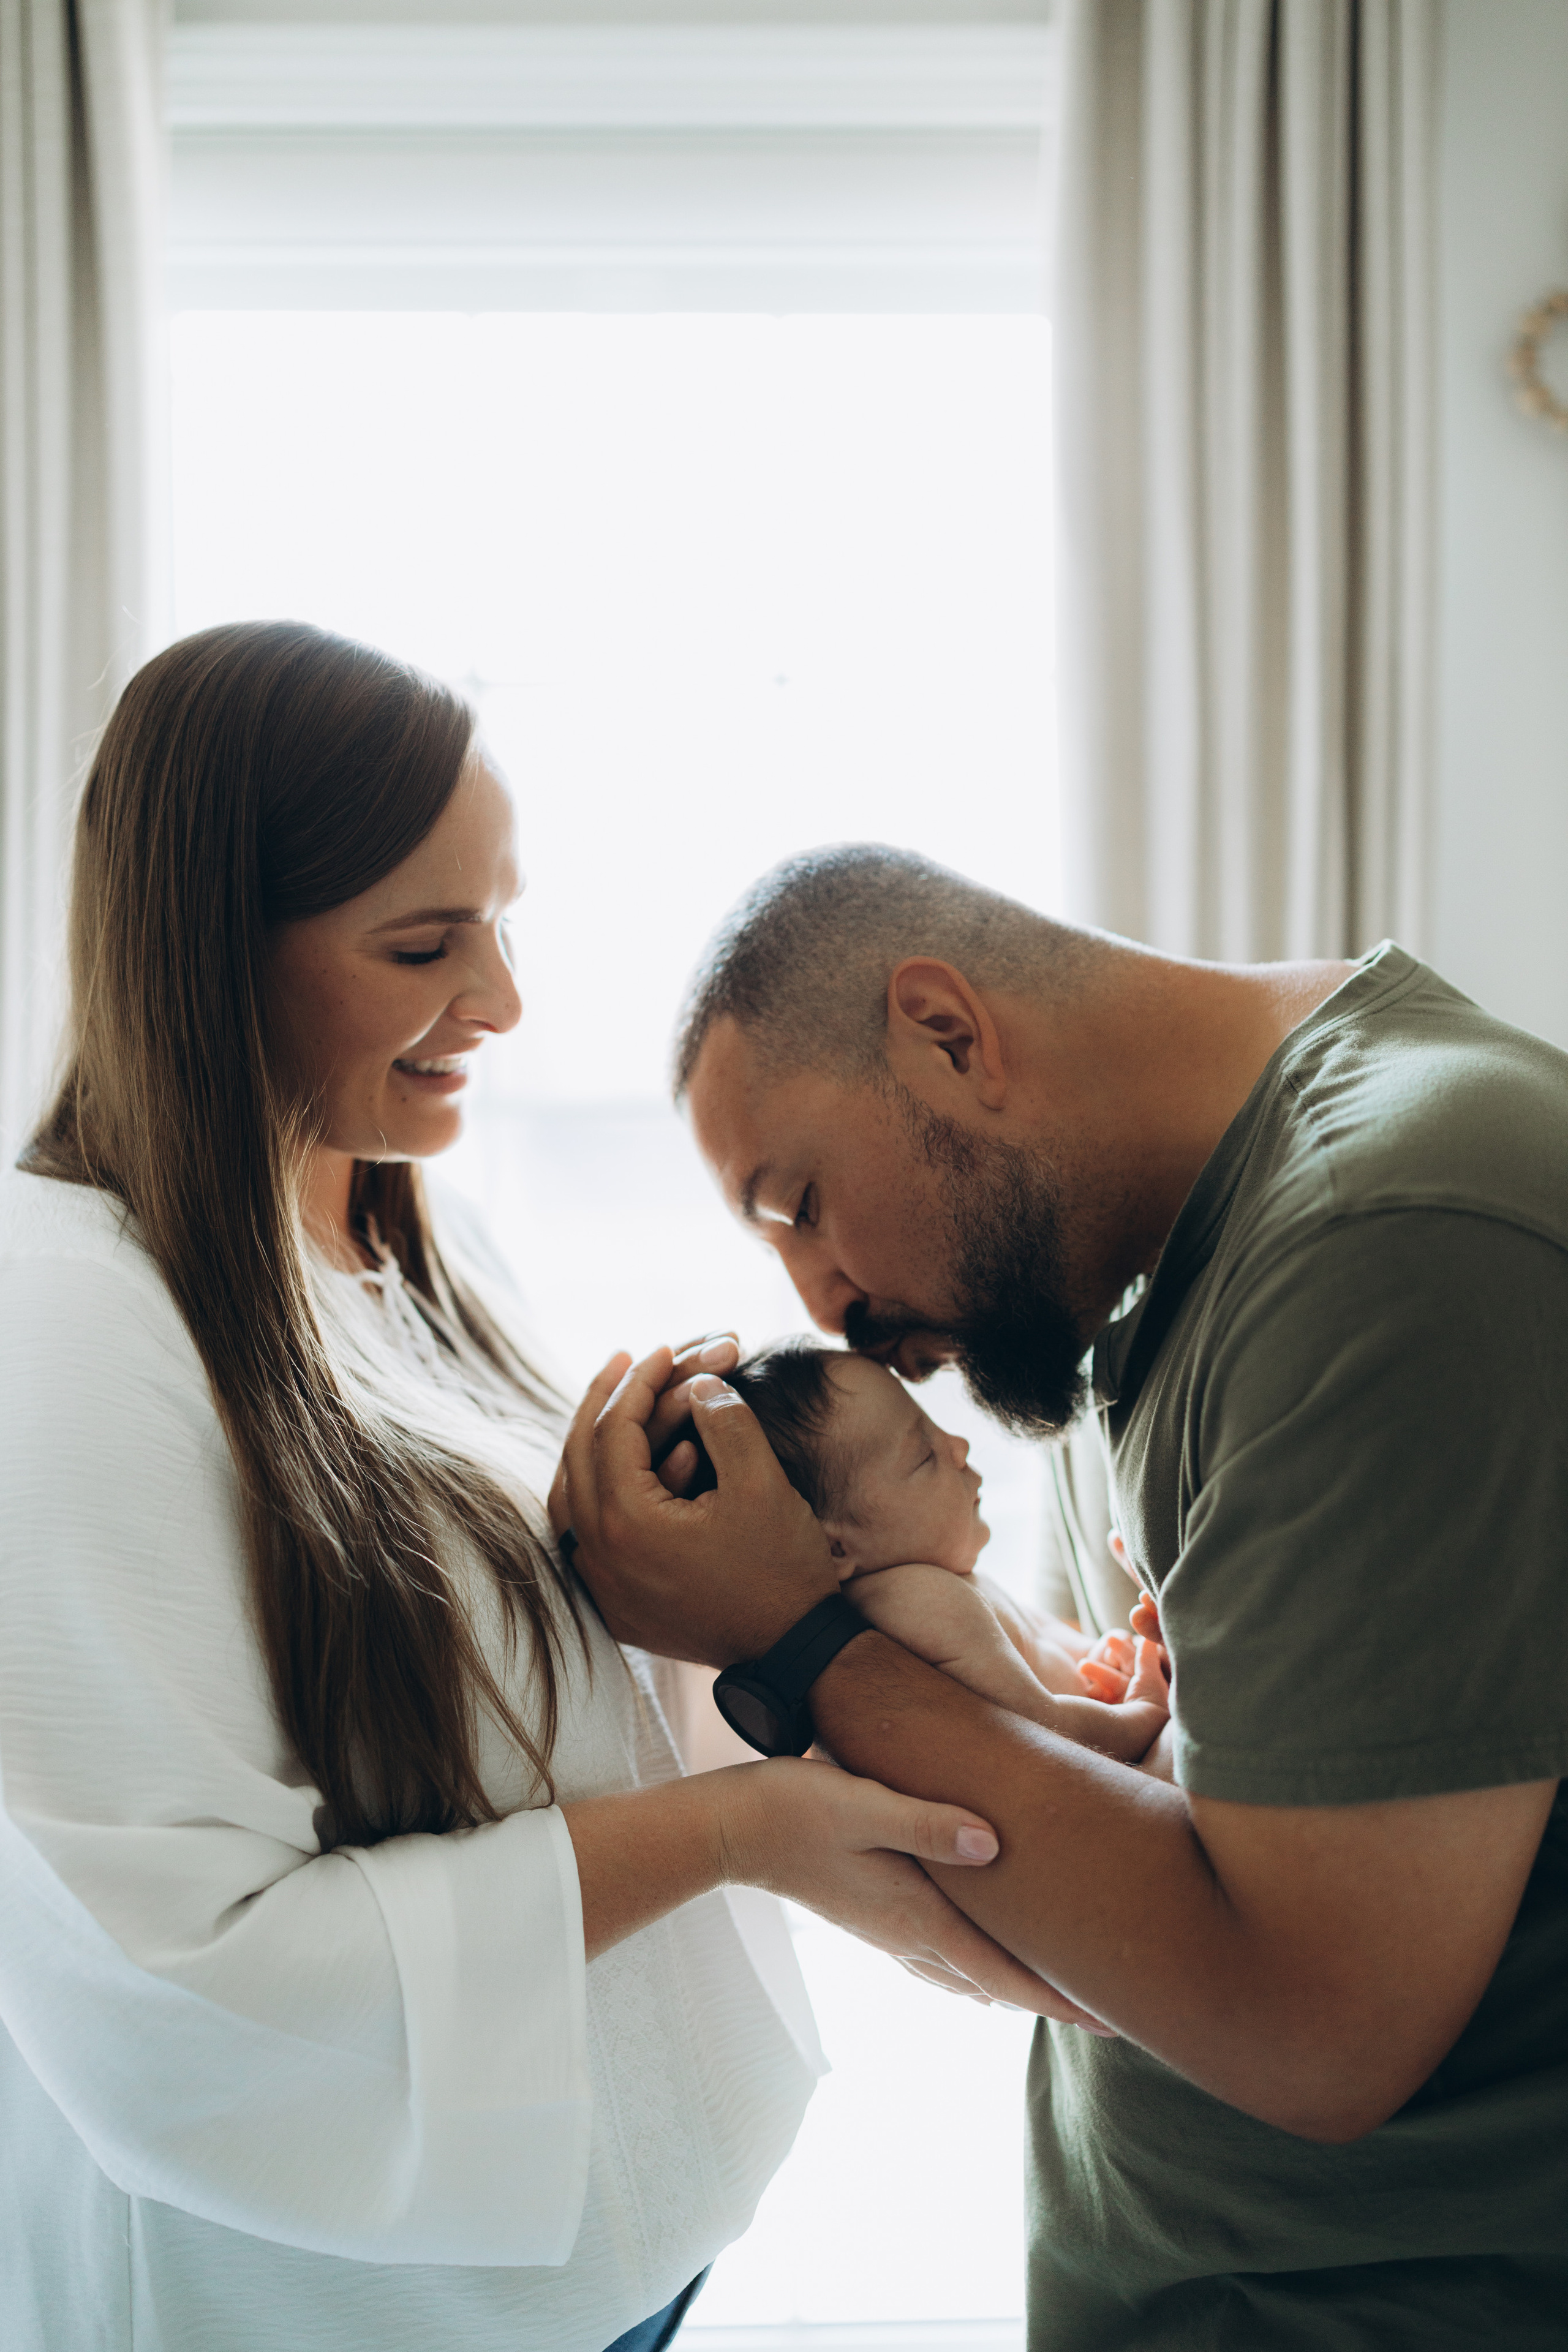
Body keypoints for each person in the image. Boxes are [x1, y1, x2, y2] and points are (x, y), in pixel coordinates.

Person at [0, 646, 1070, 2352]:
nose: (501, 999)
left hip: (616, 2263)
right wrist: (742, 1833)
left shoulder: (418, 1247)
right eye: (423, 946)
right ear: (210, 949)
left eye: (498, 923)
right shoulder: (65, 1332)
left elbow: (558, 1702)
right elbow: (183, 1990)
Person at [554, 843, 1568, 2350]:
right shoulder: (1118, 1284)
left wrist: (799, 1639)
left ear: (946, 1034)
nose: (822, 1306)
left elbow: (1313, 2029)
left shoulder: (1387, 1239)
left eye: (803, 1203)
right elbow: (1088, 1824)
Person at [685, 1340, 1167, 1720]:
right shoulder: (919, 1604)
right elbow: (1048, 1730)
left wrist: (1111, 1656)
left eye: (938, 1428)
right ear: (835, 1548)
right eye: (924, 1456)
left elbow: (1043, 1643)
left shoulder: (952, 1580)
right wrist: (1144, 1713)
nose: (959, 1446)